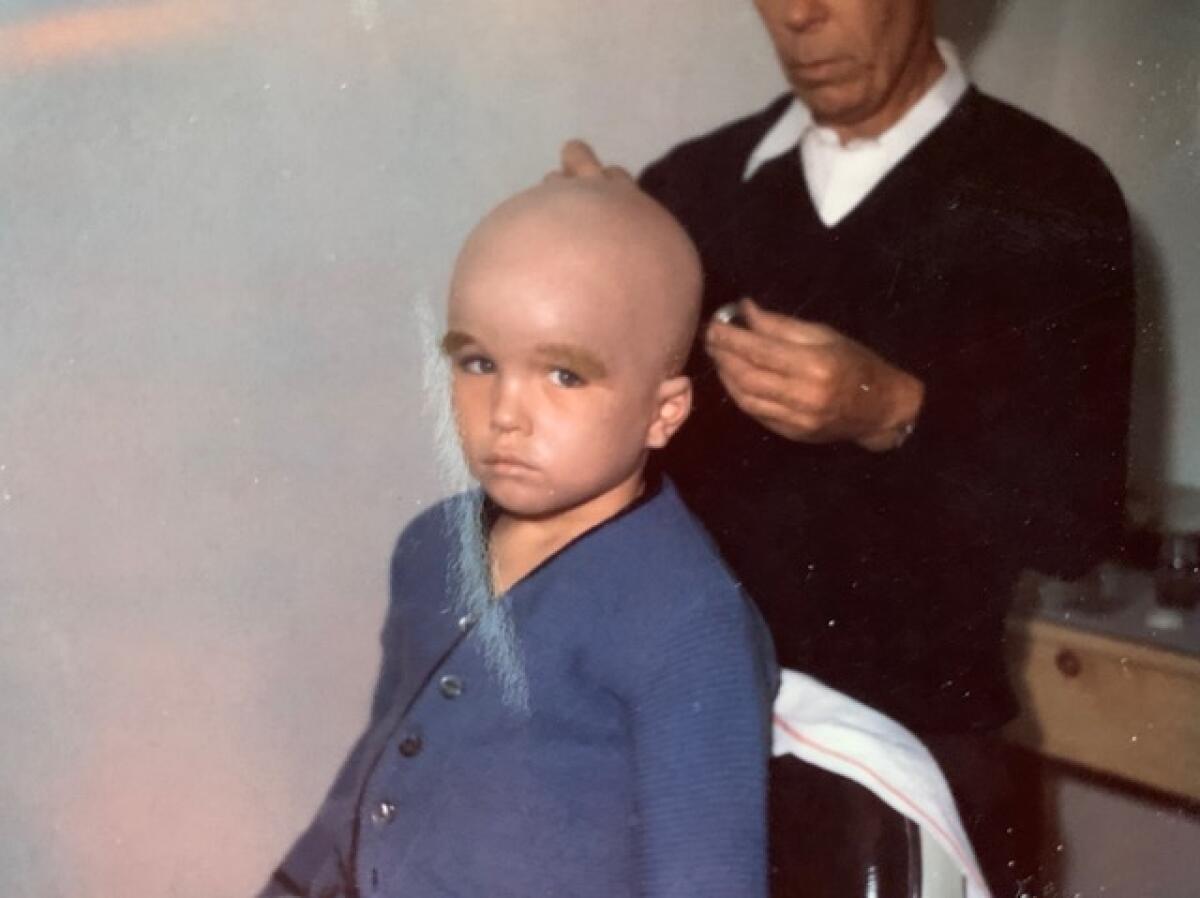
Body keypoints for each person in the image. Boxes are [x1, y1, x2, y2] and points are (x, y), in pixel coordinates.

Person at [560, 1, 1135, 894]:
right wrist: (595, 280)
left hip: (913, 761)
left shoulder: (1050, 193)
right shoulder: (695, 187)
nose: (799, 14)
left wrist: (894, 410)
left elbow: (1077, 523)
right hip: (691, 745)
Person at [257, 178, 778, 898]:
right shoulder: (431, 548)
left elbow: (709, 879)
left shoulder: (688, 618)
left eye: (564, 375)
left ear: (664, 412)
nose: (506, 413)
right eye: (478, 363)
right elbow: (369, 785)